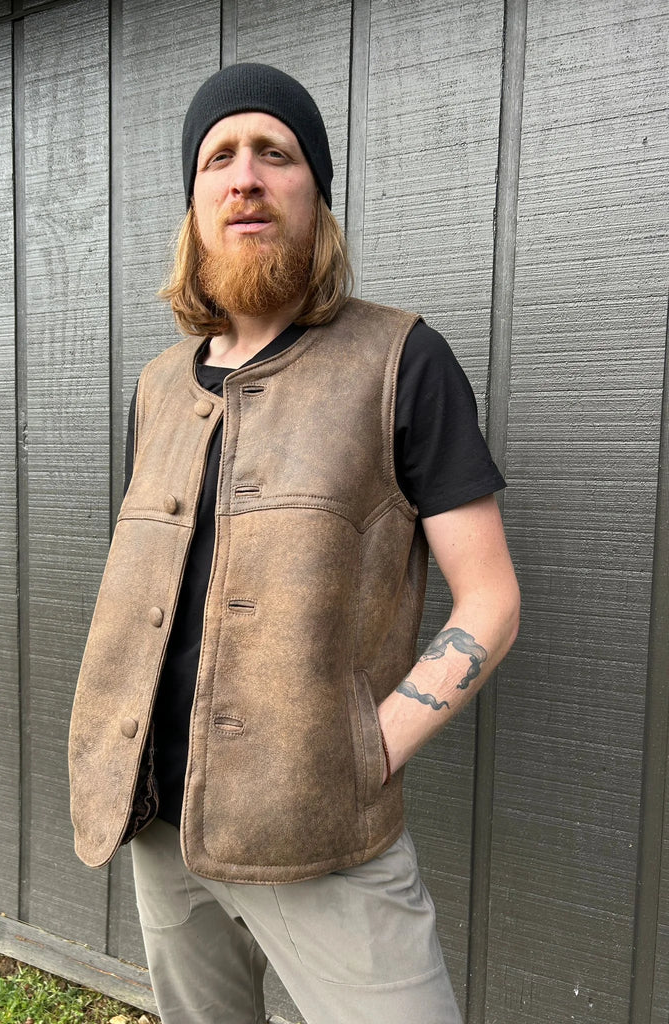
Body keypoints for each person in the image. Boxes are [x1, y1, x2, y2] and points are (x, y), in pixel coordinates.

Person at [68, 62, 520, 1024]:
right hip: (158, 824)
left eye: (276, 153)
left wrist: (367, 751)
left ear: (315, 192)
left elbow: (490, 600)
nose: (246, 177)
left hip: (325, 838)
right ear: (193, 205)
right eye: (219, 158)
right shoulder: (157, 387)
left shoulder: (403, 360)